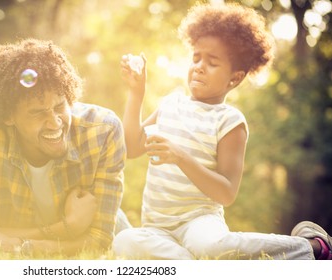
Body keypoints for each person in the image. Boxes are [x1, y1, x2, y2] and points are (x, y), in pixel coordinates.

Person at [113, 3, 332, 260]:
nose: (199, 66)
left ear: (235, 78)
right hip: (157, 229)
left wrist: (181, 157)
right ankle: (199, 266)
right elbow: (131, 147)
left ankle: (312, 247)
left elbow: (226, 193)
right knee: (125, 242)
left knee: (210, 248)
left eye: (212, 62)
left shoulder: (230, 121)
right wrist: (136, 93)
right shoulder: (169, 104)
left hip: (200, 225)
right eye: (196, 58)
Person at [0, 38, 129, 257]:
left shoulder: (103, 131)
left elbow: (98, 241)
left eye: (60, 106)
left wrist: (16, 244)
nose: (55, 122)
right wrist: (69, 227)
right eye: (37, 112)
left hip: (118, 233)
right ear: (8, 116)